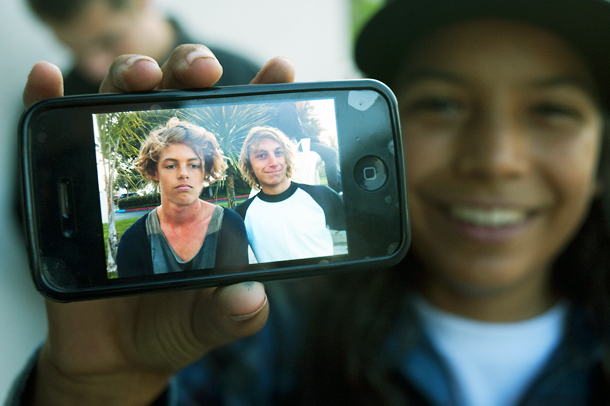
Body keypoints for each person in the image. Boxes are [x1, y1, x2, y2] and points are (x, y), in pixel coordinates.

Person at [8, 0, 610, 404]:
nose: (496, 159)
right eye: (443, 105)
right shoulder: (265, 337)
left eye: (552, 111)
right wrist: (95, 390)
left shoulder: (316, 206)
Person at [26, 0, 260, 95]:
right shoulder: (57, 94)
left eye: (108, 41)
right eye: (74, 49)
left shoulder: (243, 75)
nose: (95, 68)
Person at [115, 118, 248, 277]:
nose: (183, 174)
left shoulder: (229, 224)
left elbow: (236, 293)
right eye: (171, 165)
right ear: (154, 172)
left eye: (194, 165)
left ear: (204, 172)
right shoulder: (134, 239)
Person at [234, 126, 345, 263]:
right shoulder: (242, 214)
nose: (274, 162)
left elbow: (362, 233)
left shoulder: (321, 195)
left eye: (279, 153)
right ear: (249, 164)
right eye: (262, 155)